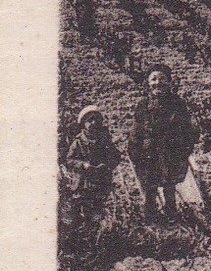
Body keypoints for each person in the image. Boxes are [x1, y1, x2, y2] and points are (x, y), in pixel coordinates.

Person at [128, 65, 198, 218]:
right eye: (154, 79)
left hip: (171, 153)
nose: (157, 83)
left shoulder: (177, 104)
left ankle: (172, 219)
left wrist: (184, 151)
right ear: (148, 82)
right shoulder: (142, 106)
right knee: (150, 189)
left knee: (169, 187)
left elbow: (188, 130)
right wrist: (135, 152)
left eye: (162, 79)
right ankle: (152, 223)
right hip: (149, 154)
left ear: (169, 82)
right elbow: (135, 132)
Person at [60, 105, 120, 238]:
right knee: (85, 210)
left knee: (98, 210)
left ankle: (98, 236)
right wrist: (83, 165)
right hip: (84, 183)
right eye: (90, 120)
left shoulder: (104, 140)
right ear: (83, 123)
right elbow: (69, 159)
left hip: (101, 181)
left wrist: (106, 165)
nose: (93, 123)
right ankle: (86, 238)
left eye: (96, 120)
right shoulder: (78, 142)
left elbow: (116, 156)